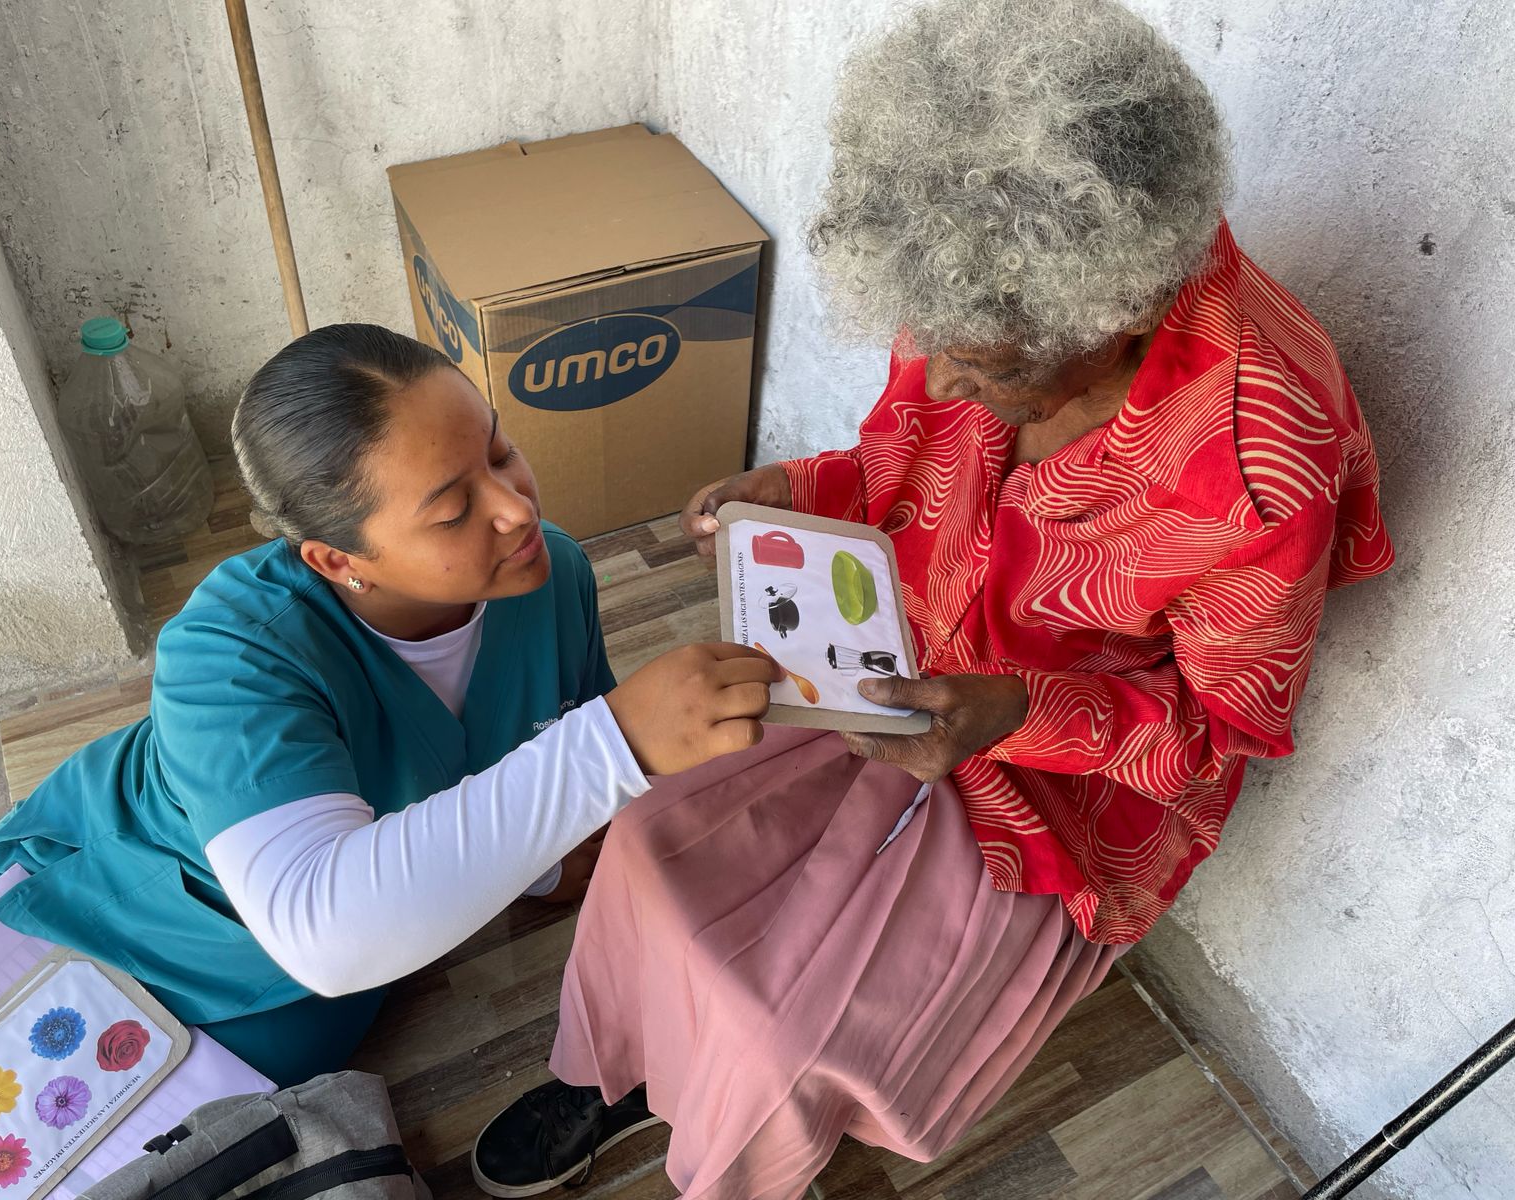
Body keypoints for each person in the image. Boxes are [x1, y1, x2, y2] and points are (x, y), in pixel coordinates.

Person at [470, 0, 1395, 1196]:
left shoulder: (1260, 458)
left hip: (1067, 788)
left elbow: (1213, 736)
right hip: (893, 651)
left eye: (986, 364)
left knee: (780, 1034)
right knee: (645, 842)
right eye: (933, 340)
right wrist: (794, 490)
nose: (942, 378)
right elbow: (900, 462)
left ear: (1117, 314)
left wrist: (1014, 712)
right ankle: (616, 1066)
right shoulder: (976, 271)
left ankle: (734, 1144)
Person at [0, 324, 778, 1086]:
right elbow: (327, 928)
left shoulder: (547, 577)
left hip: (352, 953)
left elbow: (540, 750)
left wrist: (547, 858)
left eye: (501, 450)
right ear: (338, 561)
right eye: (454, 510)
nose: (516, 508)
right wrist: (613, 743)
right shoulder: (231, 651)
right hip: (119, 916)